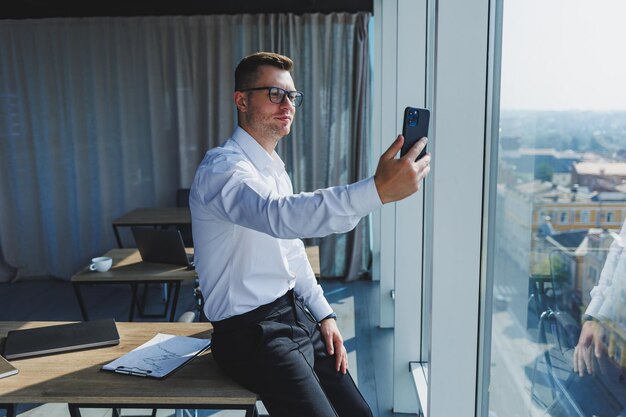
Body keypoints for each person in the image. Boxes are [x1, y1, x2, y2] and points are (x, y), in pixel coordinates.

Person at [189, 51, 430, 417]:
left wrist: (324, 315)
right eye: (274, 93)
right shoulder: (221, 170)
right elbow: (278, 217)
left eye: (292, 96)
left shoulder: (274, 170)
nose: (287, 104)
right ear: (241, 100)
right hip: (249, 335)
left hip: (294, 316)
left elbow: (291, 251)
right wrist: (376, 190)